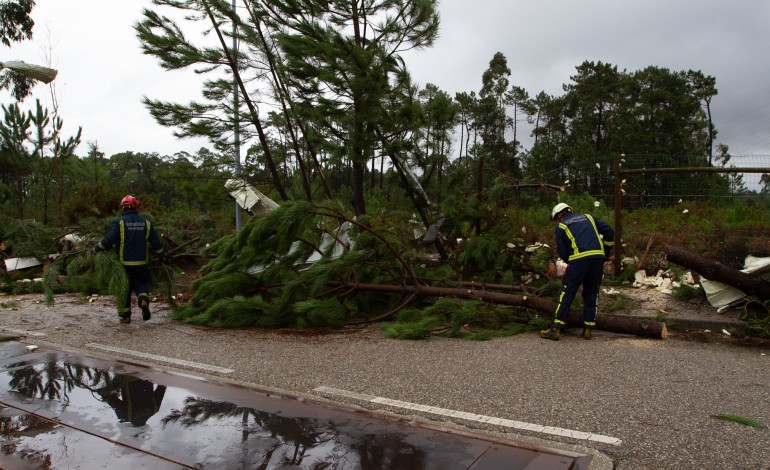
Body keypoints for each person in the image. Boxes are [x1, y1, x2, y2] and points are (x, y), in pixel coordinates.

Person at [540, 202, 614, 341]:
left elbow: (562, 252)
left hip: (578, 261)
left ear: (559, 215)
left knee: (567, 291)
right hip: (597, 259)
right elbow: (609, 232)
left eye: (556, 219)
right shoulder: (589, 217)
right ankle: (587, 329)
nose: (557, 221)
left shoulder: (561, 226)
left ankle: (556, 329)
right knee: (592, 291)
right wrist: (606, 253)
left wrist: (571, 262)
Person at [94, 195, 164, 324]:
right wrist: (161, 254)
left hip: (124, 263)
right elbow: (155, 242)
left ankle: (125, 316)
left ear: (123, 209)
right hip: (141, 263)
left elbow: (108, 240)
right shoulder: (146, 223)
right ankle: (143, 300)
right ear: (136, 208)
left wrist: (97, 248)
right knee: (141, 284)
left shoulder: (119, 222)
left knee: (124, 288)